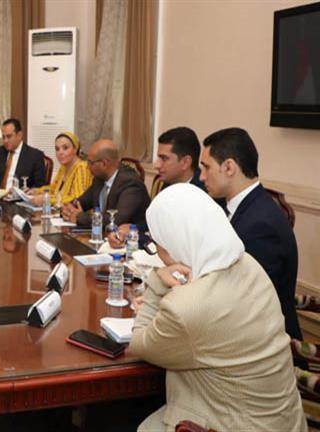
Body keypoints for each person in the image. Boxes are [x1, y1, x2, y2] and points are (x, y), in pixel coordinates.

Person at [130, 184, 306, 432]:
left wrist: (157, 280)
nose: (157, 253)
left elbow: (138, 343)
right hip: (285, 421)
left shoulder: (186, 308)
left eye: (156, 243)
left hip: (232, 424)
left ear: (173, 243)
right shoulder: (249, 264)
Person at [199, 127, 301, 340]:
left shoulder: (261, 225)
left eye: (206, 167)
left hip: (263, 340)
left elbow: (242, 299)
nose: (201, 177)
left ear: (229, 167)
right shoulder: (239, 206)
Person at [106, 126, 204, 247]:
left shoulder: (205, 192)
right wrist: (130, 229)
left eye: (164, 158)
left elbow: (175, 242)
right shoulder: (168, 183)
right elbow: (154, 223)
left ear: (185, 162)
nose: (157, 165)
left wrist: (134, 236)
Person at [60, 139, 150, 228]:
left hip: (131, 236)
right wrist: (68, 210)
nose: (87, 167)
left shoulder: (131, 184)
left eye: (90, 163)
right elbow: (81, 202)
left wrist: (79, 217)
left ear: (104, 163)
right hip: (102, 234)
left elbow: (115, 220)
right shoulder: (99, 179)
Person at [29, 131, 92, 207]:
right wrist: (37, 191)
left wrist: (48, 199)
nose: (60, 152)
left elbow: (77, 198)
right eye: (57, 149)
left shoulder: (82, 167)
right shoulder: (63, 167)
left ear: (75, 149)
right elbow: (53, 189)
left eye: (65, 148)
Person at [0, 118, 46, 189]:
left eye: (9, 136)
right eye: (3, 137)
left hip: (20, 195)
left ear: (19, 135)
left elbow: (40, 186)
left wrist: (29, 191)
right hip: (0, 195)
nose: (5, 140)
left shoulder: (35, 156)